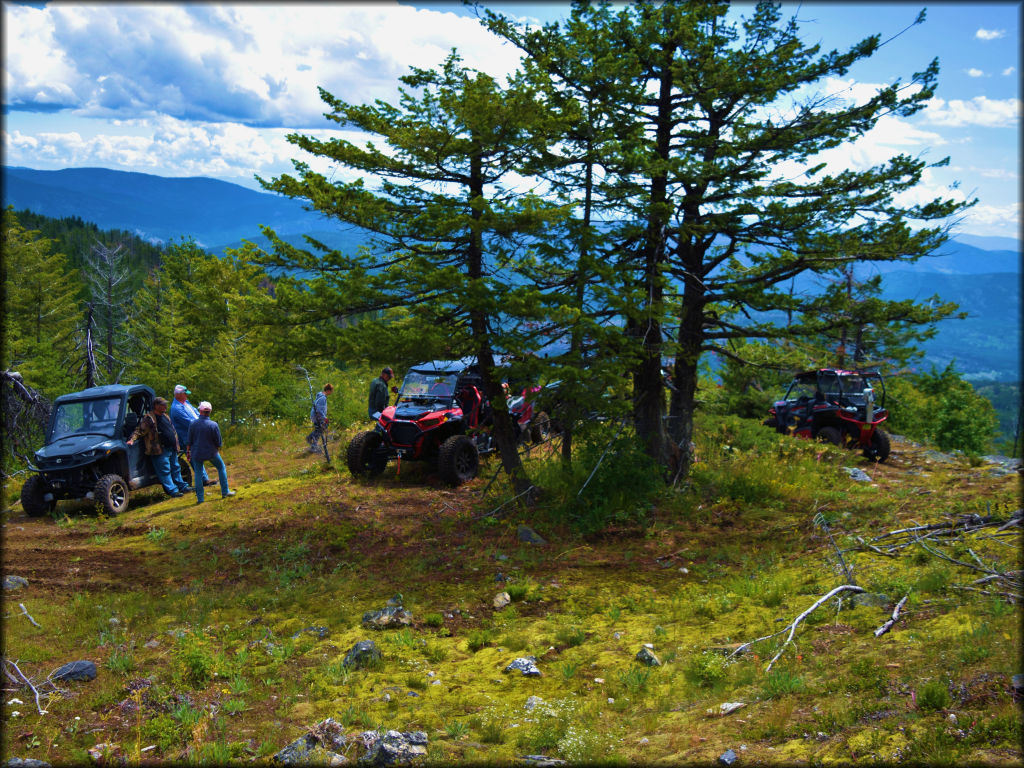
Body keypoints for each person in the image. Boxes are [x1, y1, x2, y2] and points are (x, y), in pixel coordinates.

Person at [127, 397, 192, 498]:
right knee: (164, 471)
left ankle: (183, 487)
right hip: (159, 450)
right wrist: (132, 439)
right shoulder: (149, 418)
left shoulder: (165, 416)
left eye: (165, 404)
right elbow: (140, 430)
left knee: (176, 468)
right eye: (162, 404)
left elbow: (172, 429)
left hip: (171, 447)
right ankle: (173, 491)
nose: (165, 406)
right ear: (156, 406)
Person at [187, 401, 236, 504]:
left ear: (200, 410)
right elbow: (218, 441)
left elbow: (189, 440)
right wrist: (218, 448)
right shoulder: (213, 425)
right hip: (211, 452)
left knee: (198, 474)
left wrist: (188, 452)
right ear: (210, 411)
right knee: (221, 467)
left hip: (197, 452)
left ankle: (200, 499)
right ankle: (225, 491)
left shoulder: (193, 424)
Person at [170, 384, 215, 486]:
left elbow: (196, 413)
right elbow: (190, 422)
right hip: (187, 437)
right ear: (179, 394)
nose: (187, 396)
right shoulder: (176, 408)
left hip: (195, 434)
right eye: (185, 394)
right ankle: (203, 480)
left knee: (198, 457)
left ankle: (204, 479)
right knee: (195, 458)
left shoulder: (186, 403)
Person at [307, 383, 333, 452]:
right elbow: (319, 410)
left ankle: (312, 442)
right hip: (317, 417)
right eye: (331, 391)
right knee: (319, 430)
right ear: (328, 390)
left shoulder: (320, 395)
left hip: (315, 416)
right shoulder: (323, 398)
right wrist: (324, 418)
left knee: (318, 430)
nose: (331, 393)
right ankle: (312, 444)